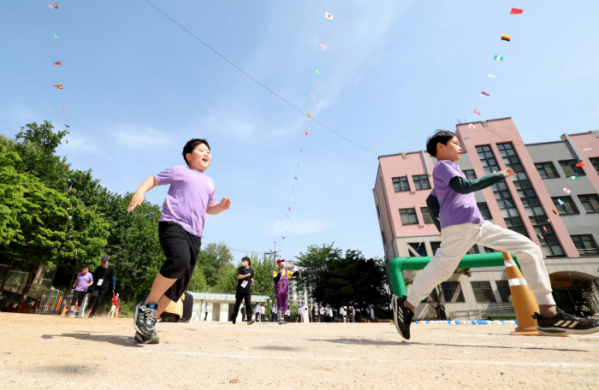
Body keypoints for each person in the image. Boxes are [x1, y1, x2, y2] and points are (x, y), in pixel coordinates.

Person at [392, 130, 599, 339]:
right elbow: (464, 187)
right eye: (455, 143)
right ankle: (407, 306)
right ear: (440, 147)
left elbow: (432, 201)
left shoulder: (449, 169)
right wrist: (498, 175)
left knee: (529, 249)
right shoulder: (443, 166)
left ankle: (549, 313)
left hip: (477, 224)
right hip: (461, 226)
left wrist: (440, 224)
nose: (460, 147)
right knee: (442, 268)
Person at [129, 138, 231, 344]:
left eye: (209, 151)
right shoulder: (179, 171)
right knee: (179, 260)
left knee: (180, 282)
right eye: (201, 150)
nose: (207, 154)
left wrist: (220, 207)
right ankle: (147, 305)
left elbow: (209, 208)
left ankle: (147, 326)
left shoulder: (210, 182)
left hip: (195, 234)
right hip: (173, 224)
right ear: (188, 156)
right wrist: (140, 192)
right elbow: (153, 179)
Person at [272, 259, 301, 324]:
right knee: (280, 303)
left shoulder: (286, 272)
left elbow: (293, 274)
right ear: (278, 264)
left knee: (285, 304)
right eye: (281, 262)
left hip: (285, 290)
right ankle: (280, 318)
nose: (283, 263)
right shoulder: (275, 272)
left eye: (283, 262)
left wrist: (298, 272)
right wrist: (280, 273)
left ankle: (282, 318)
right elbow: (275, 279)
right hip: (279, 290)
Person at [231, 256, 255, 325]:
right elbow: (239, 276)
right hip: (240, 290)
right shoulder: (240, 269)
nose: (243, 262)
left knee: (249, 304)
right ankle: (234, 317)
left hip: (247, 290)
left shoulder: (251, 270)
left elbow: (252, 278)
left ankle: (249, 319)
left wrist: (252, 279)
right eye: (243, 261)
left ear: (248, 261)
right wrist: (246, 275)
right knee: (237, 305)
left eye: (244, 261)